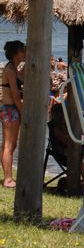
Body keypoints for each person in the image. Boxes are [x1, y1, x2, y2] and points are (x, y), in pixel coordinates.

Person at [1, 40, 25, 188]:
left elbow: (21, 77)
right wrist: (23, 112)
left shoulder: (13, 68)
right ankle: (8, 179)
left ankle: (7, 176)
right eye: (22, 50)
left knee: (7, 145)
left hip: (9, 109)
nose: (24, 52)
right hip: (10, 109)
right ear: (16, 53)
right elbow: (16, 95)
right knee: (10, 145)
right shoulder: (10, 70)